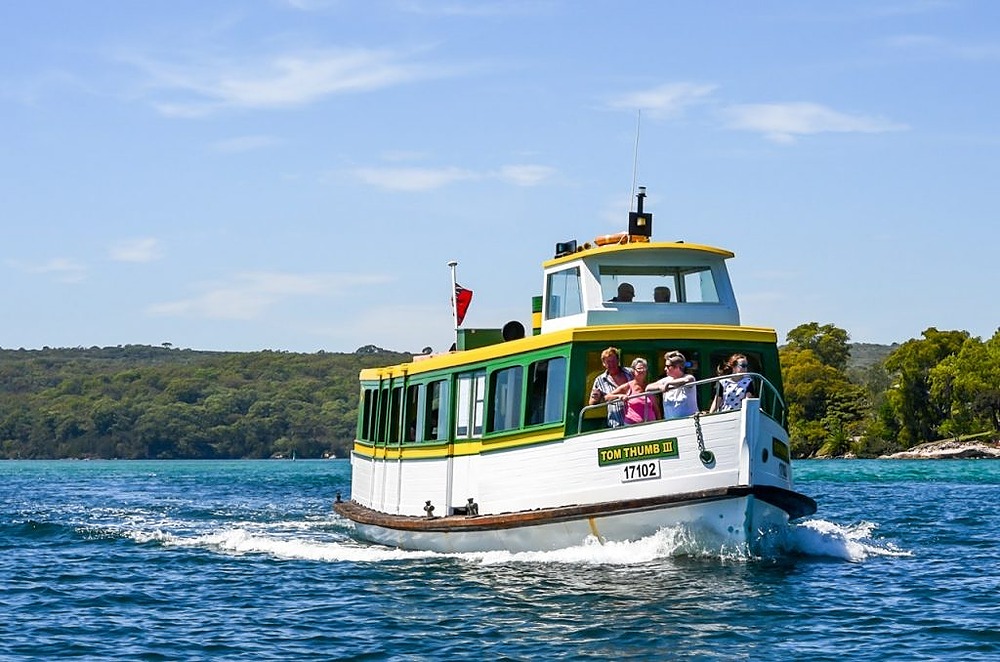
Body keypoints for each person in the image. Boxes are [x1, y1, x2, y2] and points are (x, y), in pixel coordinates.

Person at [607, 357, 662, 424]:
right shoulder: (628, 386)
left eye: (644, 368)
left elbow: (657, 410)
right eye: (639, 369)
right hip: (632, 426)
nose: (642, 371)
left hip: (650, 426)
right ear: (633, 371)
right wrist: (620, 396)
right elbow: (607, 397)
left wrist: (659, 424)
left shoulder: (649, 387)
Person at [589, 347, 634, 427]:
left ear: (618, 360)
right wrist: (595, 398)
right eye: (608, 362)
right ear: (604, 363)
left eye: (613, 361)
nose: (611, 364)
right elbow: (592, 402)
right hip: (616, 423)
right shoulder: (600, 380)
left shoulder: (630, 372)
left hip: (636, 420)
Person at [646, 350, 698, 419]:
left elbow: (685, 380)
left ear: (677, 367)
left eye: (668, 366)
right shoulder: (665, 380)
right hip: (671, 423)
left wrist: (668, 384)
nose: (665, 369)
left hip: (689, 422)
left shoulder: (689, 377)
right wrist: (660, 386)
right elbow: (648, 387)